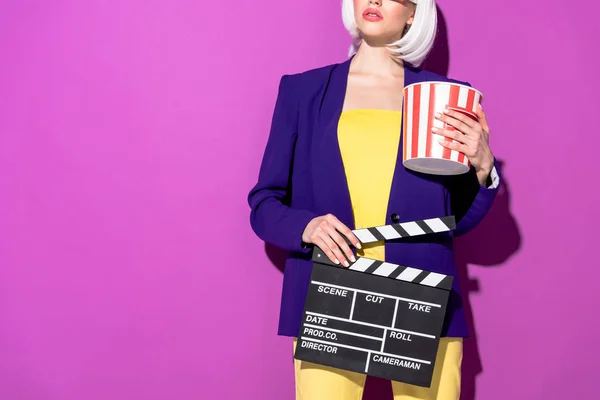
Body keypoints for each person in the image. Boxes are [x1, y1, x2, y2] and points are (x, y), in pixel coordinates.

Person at [247, 0, 500, 398]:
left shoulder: (446, 97)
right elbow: (265, 203)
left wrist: (484, 170)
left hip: (422, 293)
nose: (375, 0)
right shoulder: (303, 91)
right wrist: (307, 226)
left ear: (414, 13)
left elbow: (459, 222)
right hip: (331, 290)